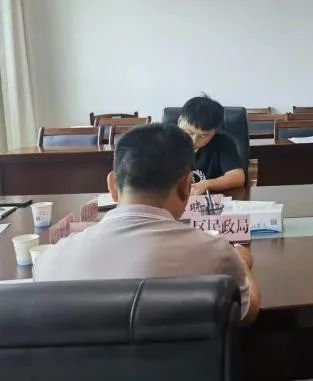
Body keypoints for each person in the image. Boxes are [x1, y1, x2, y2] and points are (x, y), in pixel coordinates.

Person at [34, 124, 261, 324]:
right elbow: (247, 312)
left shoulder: (50, 261)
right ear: (186, 186)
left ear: (112, 186)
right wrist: (241, 264)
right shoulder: (215, 253)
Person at [177, 95, 245, 195]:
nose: (194, 141)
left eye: (203, 136)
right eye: (189, 132)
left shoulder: (222, 141)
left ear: (215, 131)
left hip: (210, 200)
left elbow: (238, 177)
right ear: (179, 121)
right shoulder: (164, 139)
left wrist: (206, 184)